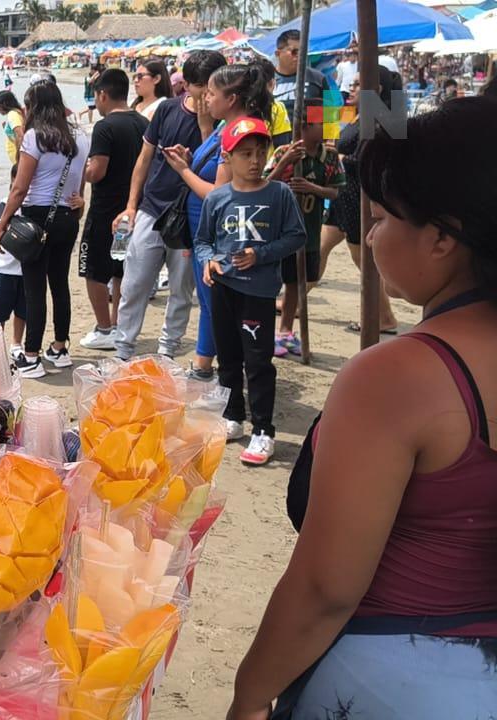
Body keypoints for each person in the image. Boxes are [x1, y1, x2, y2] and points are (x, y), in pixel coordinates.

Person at [230, 97, 497, 720]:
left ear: (441, 237)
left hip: (400, 675)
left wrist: (248, 696)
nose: (370, 235)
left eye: (382, 218)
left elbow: (325, 588)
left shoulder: (397, 377)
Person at [193, 117, 306, 464]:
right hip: (224, 288)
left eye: (260, 152)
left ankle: (263, 429)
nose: (255, 161)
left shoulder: (279, 194)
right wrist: (210, 261)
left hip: (258, 292)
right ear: (227, 157)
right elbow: (202, 241)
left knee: (258, 361)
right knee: (228, 357)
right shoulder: (217, 199)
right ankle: (233, 417)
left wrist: (261, 254)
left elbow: (296, 236)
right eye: (245, 154)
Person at [113, 50, 228, 362]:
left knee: (181, 288)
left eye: (212, 86)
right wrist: (131, 205)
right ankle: (123, 347)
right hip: (153, 207)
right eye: (199, 85)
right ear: (185, 85)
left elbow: (211, 166)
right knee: (135, 282)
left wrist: (206, 124)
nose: (206, 93)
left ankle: (167, 349)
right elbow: (144, 158)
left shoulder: (221, 125)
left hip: (191, 216)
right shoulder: (167, 110)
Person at [162, 61, 274, 380]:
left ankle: (222, 373)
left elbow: (218, 194)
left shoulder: (238, 134)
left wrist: (182, 171)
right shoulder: (225, 127)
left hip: (222, 230)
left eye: (211, 93)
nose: (205, 98)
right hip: (207, 228)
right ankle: (203, 364)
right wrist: (195, 145)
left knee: (218, 303)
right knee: (211, 301)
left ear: (232, 98)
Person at [0, 80, 89, 379]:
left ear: (33, 106)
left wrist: (3, 224)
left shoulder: (35, 137)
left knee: (35, 289)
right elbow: (80, 182)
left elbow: (20, 188)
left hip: (37, 218)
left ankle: (31, 356)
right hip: (68, 217)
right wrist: (79, 204)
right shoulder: (81, 137)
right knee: (59, 284)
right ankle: (59, 348)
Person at [317, 65, 400, 335]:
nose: (350, 88)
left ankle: (384, 317)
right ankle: (294, 299)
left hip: (359, 199)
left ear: (375, 89)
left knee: (365, 263)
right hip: (345, 196)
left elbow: (375, 161)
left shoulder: (383, 118)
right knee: (319, 249)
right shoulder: (360, 114)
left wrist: (340, 158)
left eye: (356, 84)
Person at [266, 99, 344, 358]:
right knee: (274, 281)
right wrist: (285, 161)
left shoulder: (330, 157)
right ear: (304, 126)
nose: (327, 128)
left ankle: (286, 331)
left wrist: (313, 189)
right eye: (322, 123)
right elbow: (264, 184)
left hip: (309, 231)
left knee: (298, 283)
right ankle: (269, 332)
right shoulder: (285, 152)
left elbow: (335, 192)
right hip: (280, 231)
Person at [80, 69, 147, 352]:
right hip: (131, 210)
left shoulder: (105, 127)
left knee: (94, 270)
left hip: (105, 211)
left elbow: (97, 171)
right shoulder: (143, 123)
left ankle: (104, 326)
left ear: (103, 94)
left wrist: (80, 169)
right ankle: (117, 322)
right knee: (120, 267)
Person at [0, 165, 27, 356]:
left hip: (27, 269)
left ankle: (16, 343)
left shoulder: (37, 204)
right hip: (5, 269)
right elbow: (2, 227)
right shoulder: (5, 203)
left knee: (23, 311)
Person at [273, 29, 328, 117]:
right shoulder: (265, 79)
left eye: (303, 51)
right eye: (294, 52)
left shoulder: (319, 78)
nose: (300, 56)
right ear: (278, 54)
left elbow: (333, 113)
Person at [0, 90, 25, 164]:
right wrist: (6, 127)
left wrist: (19, 157)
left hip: (17, 156)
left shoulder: (12, 115)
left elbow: (20, 135)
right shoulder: (16, 112)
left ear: (4, 104)